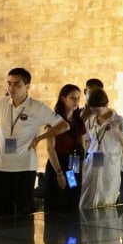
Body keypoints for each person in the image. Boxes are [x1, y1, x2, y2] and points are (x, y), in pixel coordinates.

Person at [0, 67, 69, 217]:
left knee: (24, 212)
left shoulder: (37, 107)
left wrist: (40, 138)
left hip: (25, 168)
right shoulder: (2, 102)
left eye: (17, 84)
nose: (11, 88)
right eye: (9, 83)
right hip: (1, 167)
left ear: (27, 86)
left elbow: (64, 125)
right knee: (1, 214)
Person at [80, 89, 123, 208]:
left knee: (106, 200)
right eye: (92, 109)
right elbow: (87, 140)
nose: (94, 112)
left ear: (106, 105)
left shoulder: (119, 120)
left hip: (110, 164)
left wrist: (118, 132)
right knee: (88, 199)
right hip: (92, 163)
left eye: (97, 110)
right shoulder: (91, 119)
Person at [43, 84, 86, 212]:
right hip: (58, 162)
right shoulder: (54, 120)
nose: (76, 101)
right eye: (72, 98)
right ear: (63, 98)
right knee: (56, 201)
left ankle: (71, 231)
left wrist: (79, 167)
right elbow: (50, 149)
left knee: (71, 198)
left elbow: (81, 145)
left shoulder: (78, 121)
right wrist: (59, 173)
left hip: (73, 163)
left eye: (78, 98)